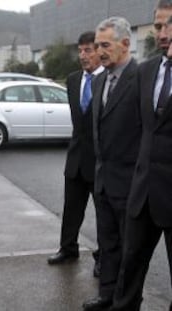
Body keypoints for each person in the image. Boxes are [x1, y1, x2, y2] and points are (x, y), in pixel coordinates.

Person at [111, 1, 172, 310]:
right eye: (158, 26)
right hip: (143, 193)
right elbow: (134, 129)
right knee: (130, 268)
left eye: (168, 25)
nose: (162, 33)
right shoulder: (146, 70)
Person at [82, 17, 141, 311]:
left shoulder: (140, 78)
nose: (99, 51)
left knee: (131, 252)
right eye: (97, 45)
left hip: (131, 185)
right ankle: (106, 295)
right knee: (107, 244)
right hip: (103, 181)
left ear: (125, 44)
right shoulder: (100, 79)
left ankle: (125, 302)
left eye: (105, 45)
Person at [47, 31, 103, 278]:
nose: (83, 55)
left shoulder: (109, 81)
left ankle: (103, 258)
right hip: (75, 160)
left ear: (99, 51)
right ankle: (68, 249)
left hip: (101, 162)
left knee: (104, 215)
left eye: (88, 50)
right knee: (71, 209)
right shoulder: (72, 80)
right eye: (80, 50)